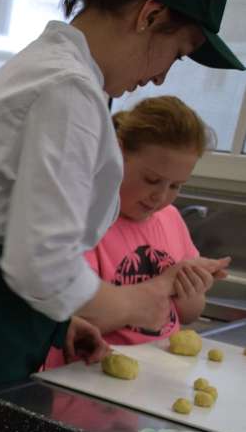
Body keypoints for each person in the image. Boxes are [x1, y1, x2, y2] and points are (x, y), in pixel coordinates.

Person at [0, 0, 236, 391]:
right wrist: (133, 303)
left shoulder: (47, 68)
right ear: (150, 15)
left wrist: (56, 321)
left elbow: (0, 242)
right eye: (177, 53)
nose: (162, 76)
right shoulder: (67, 88)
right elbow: (42, 263)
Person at [45, 96, 226, 368]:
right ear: (118, 156)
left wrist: (191, 288)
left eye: (176, 186)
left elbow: (188, 313)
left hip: (157, 372)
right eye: (151, 180)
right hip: (92, 371)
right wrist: (163, 284)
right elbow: (79, 319)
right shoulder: (87, 219)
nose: (160, 196)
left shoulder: (170, 218)